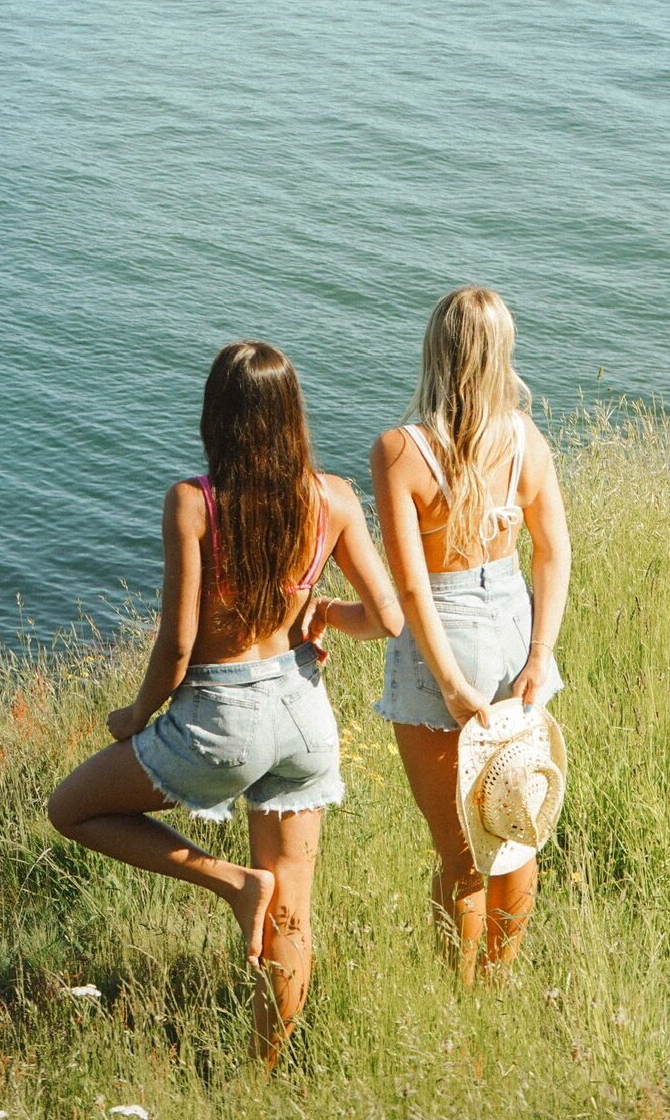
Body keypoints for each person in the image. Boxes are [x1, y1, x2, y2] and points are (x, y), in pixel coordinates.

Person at [48, 341, 402, 1066]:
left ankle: (233, 883)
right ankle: (264, 1071)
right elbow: (389, 619)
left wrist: (135, 717)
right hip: (306, 715)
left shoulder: (194, 503)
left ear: (219, 416)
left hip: (221, 717)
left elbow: (178, 647)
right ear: (292, 415)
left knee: (71, 809)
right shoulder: (332, 497)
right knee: (294, 910)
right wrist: (325, 612)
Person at [371, 286, 570, 983]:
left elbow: (410, 587)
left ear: (435, 348)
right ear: (501, 353)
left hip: (444, 648)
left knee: (459, 853)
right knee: (516, 832)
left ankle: (459, 998)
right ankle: (500, 979)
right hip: (515, 634)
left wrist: (452, 684)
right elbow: (553, 552)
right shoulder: (525, 440)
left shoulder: (401, 451)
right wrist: (539, 657)